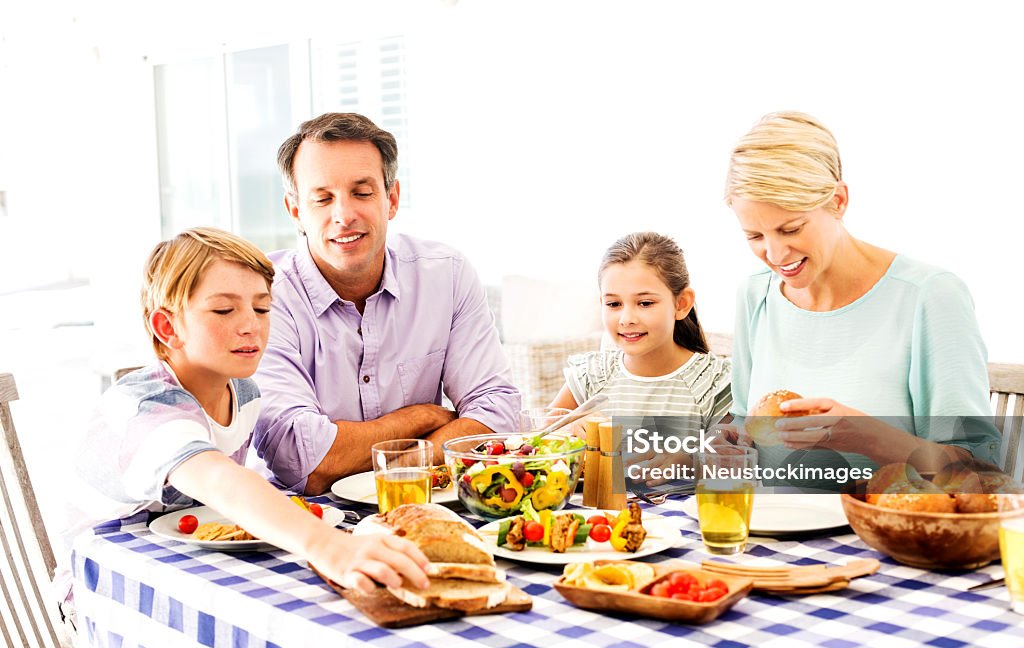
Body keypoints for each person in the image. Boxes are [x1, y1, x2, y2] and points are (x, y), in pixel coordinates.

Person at [55, 228, 430, 635]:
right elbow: (218, 480)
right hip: (104, 593)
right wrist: (329, 546)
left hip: (186, 565)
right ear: (167, 328)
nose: (251, 326)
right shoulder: (145, 410)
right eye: (223, 311)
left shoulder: (244, 392)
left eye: (262, 309)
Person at [253, 113, 519, 494]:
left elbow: (499, 413)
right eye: (322, 198)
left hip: (424, 501)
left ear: (391, 199)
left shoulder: (446, 274)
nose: (343, 216)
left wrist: (401, 466)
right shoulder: (262, 297)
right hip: (300, 520)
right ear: (296, 211)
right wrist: (416, 419)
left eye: (362, 193)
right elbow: (303, 462)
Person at [725, 111, 999, 473]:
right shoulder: (755, 295)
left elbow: (977, 470)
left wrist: (867, 436)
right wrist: (726, 439)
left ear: (838, 201)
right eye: (755, 237)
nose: (775, 255)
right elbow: (743, 424)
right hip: (767, 524)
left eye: (791, 229)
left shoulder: (929, 297)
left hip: (881, 526)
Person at [549, 232, 732, 481]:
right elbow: (533, 443)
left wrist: (690, 462)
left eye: (645, 303)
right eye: (613, 304)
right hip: (599, 517)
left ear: (681, 304)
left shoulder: (714, 383)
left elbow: (736, 462)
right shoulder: (591, 376)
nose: (626, 319)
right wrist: (566, 432)